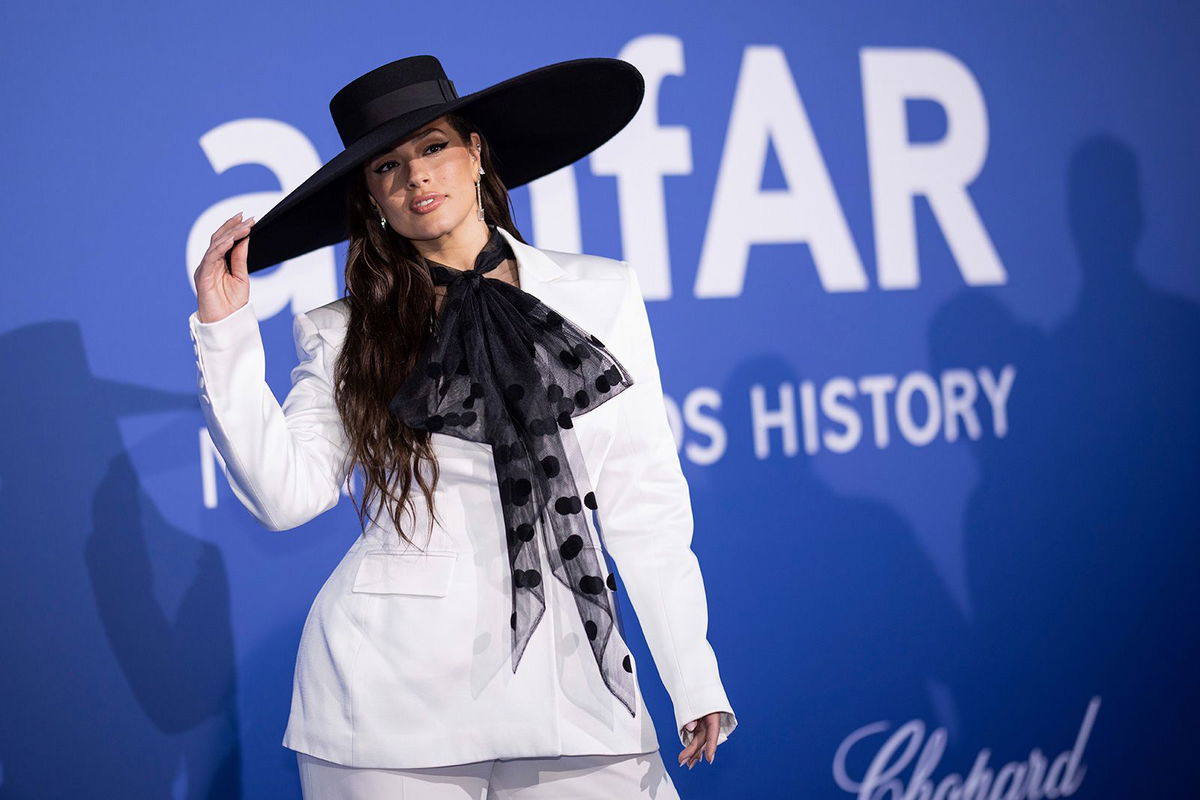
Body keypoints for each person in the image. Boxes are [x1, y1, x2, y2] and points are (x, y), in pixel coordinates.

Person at [188, 54, 737, 798]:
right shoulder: (345, 332)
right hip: (388, 702)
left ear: (476, 153)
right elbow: (285, 497)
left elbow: (646, 501)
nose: (417, 177)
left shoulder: (602, 292)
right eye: (388, 166)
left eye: (434, 147)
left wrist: (692, 672)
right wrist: (223, 334)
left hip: (574, 679)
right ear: (373, 196)